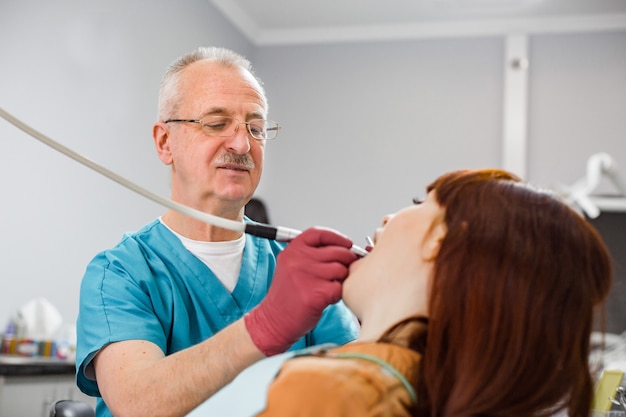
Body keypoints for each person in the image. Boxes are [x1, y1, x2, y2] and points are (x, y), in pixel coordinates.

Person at [188, 168, 613, 417]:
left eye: (420, 201)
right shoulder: (402, 390)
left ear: (441, 240)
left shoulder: (334, 396)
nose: (390, 216)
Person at [75, 46, 359, 417]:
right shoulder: (121, 273)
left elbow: (357, 387)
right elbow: (138, 402)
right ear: (165, 142)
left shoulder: (299, 270)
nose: (242, 144)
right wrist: (266, 325)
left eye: (255, 128)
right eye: (216, 122)